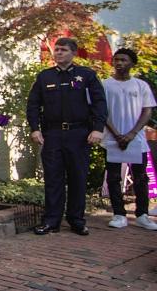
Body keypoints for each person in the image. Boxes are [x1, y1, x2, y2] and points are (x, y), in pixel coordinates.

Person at [26, 38, 107, 236]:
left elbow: (99, 104)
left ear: (73, 53)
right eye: (57, 49)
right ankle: (51, 220)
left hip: (79, 134)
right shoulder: (45, 77)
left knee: (77, 177)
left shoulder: (86, 76)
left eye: (63, 50)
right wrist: (35, 129)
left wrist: (97, 129)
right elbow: (33, 105)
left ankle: (76, 220)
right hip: (52, 134)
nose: (58, 53)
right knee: (53, 178)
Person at [102, 48, 157, 230]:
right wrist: (116, 133)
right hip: (112, 138)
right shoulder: (105, 85)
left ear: (132, 63)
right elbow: (101, 111)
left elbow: (147, 110)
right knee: (114, 177)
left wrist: (132, 133)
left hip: (137, 139)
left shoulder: (141, 86)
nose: (119, 63)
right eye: (116, 59)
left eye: (124, 60)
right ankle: (119, 214)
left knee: (141, 177)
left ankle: (142, 214)